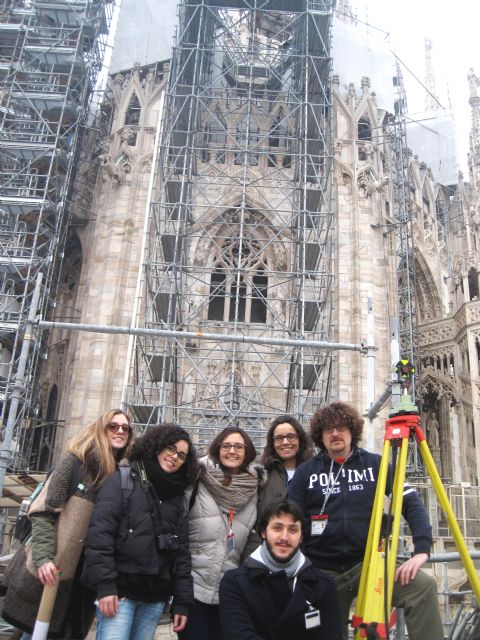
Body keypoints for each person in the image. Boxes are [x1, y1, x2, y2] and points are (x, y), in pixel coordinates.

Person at [288, 401, 444, 640]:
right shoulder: (306, 472)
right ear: (321, 436)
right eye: (328, 430)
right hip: (322, 570)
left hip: (368, 565)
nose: (335, 434)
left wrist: (422, 549)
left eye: (341, 428)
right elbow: (291, 519)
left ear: (352, 431)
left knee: (422, 588)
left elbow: (411, 503)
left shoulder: (375, 464)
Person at [2, 408, 134, 639]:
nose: (120, 431)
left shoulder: (124, 476)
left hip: (89, 576)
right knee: (37, 630)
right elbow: (43, 512)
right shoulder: (75, 463)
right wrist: (44, 559)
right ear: (101, 429)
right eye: (113, 426)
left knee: (68, 631)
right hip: (55, 569)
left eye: (125, 428)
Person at [82, 424, 197, 640]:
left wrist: (182, 601)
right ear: (157, 447)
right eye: (171, 449)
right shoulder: (123, 480)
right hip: (121, 594)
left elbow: (182, 553)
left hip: (155, 598)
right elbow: (100, 535)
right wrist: (105, 586)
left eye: (181, 455)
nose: (174, 457)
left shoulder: (178, 496)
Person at [178, 426, 262, 640]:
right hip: (193, 588)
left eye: (238, 446)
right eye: (226, 446)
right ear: (217, 449)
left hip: (228, 592)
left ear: (247, 452)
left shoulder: (254, 487)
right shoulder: (195, 477)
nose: (232, 451)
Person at [219, 500, 342, 640]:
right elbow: (239, 635)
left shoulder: (323, 585)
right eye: (277, 528)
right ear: (263, 532)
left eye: (293, 530)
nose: (284, 537)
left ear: (301, 537)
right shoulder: (235, 583)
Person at [259, 415, 313, 515]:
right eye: (279, 438)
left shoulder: (314, 473)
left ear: (300, 440)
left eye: (291, 436)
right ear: (272, 443)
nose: (285, 442)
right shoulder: (262, 476)